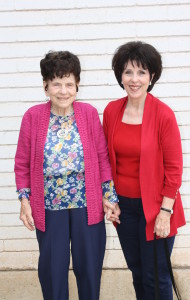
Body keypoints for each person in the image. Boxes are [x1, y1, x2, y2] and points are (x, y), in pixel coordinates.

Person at [14, 50, 120, 300]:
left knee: (90, 269)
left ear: (77, 86)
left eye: (69, 84)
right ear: (46, 86)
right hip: (49, 206)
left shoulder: (89, 114)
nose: (63, 91)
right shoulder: (32, 117)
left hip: (88, 204)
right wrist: (24, 201)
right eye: (57, 83)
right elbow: (22, 164)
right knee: (53, 270)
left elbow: (103, 158)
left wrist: (109, 196)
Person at [103, 41, 186, 300]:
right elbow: (105, 159)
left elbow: (174, 169)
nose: (134, 79)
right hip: (124, 210)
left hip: (156, 208)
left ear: (151, 76)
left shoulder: (163, 114)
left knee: (156, 275)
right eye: (128, 72)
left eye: (141, 72)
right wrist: (109, 198)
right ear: (120, 76)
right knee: (137, 271)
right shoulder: (112, 111)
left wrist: (165, 212)